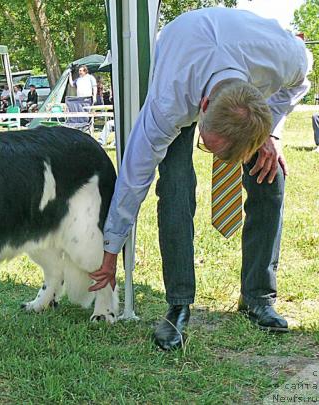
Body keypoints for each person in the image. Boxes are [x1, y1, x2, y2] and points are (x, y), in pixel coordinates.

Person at [89, 8, 312, 350]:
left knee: (271, 176)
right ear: (202, 106)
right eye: (207, 146)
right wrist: (110, 250)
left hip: (244, 65)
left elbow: (300, 82)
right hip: (183, 55)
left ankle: (258, 297)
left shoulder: (284, 58)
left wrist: (272, 130)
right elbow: (134, 177)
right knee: (175, 185)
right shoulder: (169, 102)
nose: (207, 150)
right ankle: (178, 304)